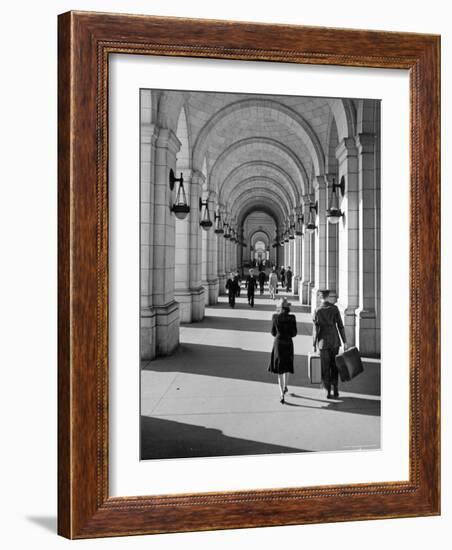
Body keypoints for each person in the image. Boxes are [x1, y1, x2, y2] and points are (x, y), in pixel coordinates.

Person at [312, 289, 348, 399]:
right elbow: (340, 326)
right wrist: (345, 341)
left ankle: (327, 390)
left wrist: (314, 344)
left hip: (323, 342)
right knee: (334, 365)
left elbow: (315, 330)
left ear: (321, 298)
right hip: (334, 341)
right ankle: (336, 389)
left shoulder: (317, 311)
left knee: (325, 367)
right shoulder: (335, 309)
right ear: (328, 297)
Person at [268, 298, 297, 403]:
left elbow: (272, 332)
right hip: (288, 343)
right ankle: (285, 386)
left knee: (279, 369)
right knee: (287, 366)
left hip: (278, 343)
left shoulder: (275, 317)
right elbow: (294, 333)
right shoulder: (292, 318)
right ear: (288, 308)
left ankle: (281, 394)